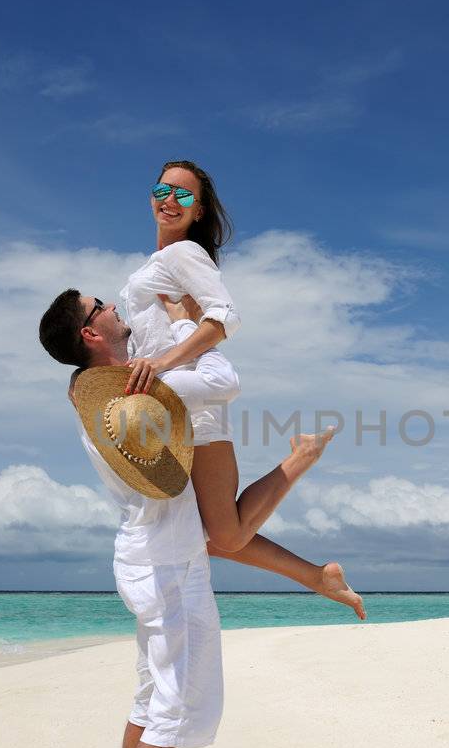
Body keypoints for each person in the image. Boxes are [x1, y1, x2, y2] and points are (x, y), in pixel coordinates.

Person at [37, 288, 357, 748]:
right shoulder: (146, 393)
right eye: (98, 305)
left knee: (149, 700)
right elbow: (222, 376)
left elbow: (226, 533)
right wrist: (189, 320)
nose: (110, 305)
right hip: (166, 568)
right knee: (176, 708)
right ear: (91, 335)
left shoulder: (100, 400)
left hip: (147, 557)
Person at [115, 160, 361, 613]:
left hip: (197, 410)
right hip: (169, 412)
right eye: (162, 190)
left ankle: (301, 456)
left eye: (183, 196)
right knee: (204, 536)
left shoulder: (183, 255)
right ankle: (319, 577)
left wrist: (163, 361)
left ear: (199, 211)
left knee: (222, 535)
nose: (170, 201)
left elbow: (226, 316)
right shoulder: (158, 263)